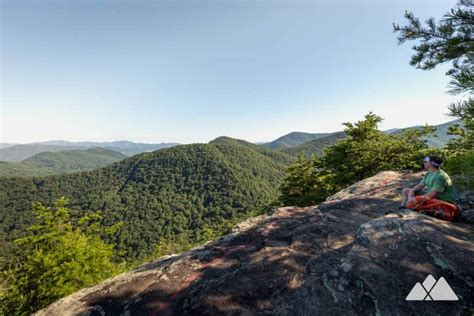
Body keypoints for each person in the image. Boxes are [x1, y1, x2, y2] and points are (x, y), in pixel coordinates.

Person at [400, 155, 459, 221]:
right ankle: (403, 206)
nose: (424, 163)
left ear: (431, 163)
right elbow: (420, 185)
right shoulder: (429, 173)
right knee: (406, 191)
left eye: (425, 161)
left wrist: (416, 199)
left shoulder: (440, 176)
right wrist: (412, 191)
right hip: (432, 197)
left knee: (412, 202)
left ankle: (411, 208)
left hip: (441, 201)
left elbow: (433, 194)